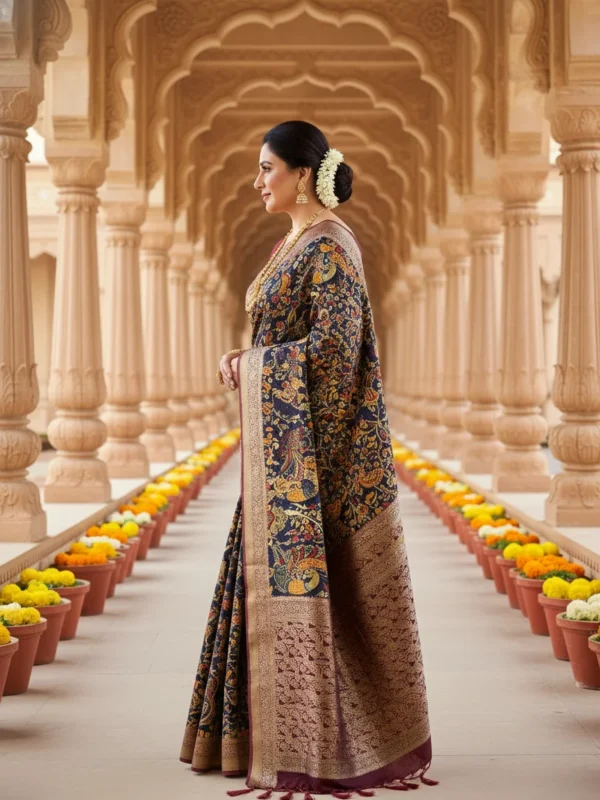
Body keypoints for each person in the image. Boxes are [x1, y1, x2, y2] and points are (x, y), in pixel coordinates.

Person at [180, 121, 435, 796]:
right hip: (281, 453)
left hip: (313, 455)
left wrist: (255, 365)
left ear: (301, 173)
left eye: (267, 168)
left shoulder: (331, 248)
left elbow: (334, 351)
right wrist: (252, 363)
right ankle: (248, 735)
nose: (258, 181)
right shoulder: (294, 242)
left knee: (327, 594)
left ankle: (315, 736)